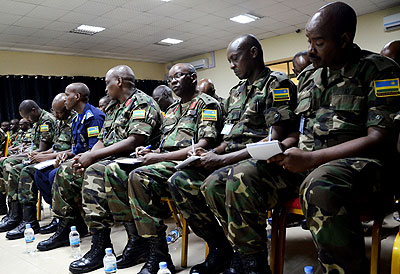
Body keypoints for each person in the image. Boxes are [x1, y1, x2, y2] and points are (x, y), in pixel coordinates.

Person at [205, 2, 400, 273]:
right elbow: (300, 128)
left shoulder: (380, 71)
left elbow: (380, 137)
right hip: (306, 165)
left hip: (360, 168)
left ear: (343, 40)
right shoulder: (309, 75)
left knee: (319, 184)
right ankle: (252, 264)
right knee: (230, 178)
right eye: (308, 41)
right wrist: (280, 147)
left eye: (318, 42)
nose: (310, 50)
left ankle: (342, 268)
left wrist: (311, 158)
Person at [169, 34, 297, 274]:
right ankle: (222, 247)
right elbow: (229, 139)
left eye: (234, 59)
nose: (231, 65)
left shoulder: (277, 83)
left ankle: (253, 263)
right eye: (229, 60)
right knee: (181, 181)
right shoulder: (236, 92)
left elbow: (275, 137)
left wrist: (222, 160)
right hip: (233, 160)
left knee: (222, 182)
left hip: (265, 161)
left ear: (253, 53)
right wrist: (208, 152)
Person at [37, 65, 162, 274]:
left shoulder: (142, 102)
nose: (105, 89)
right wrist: (85, 157)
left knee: (95, 172)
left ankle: (122, 242)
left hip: (138, 160)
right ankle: (69, 227)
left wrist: (93, 157)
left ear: (119, 82)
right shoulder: (113, 106)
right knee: (67, 170)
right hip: (113, 160)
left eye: (107, 83)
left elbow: (134, 141)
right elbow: (102, 140)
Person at [104, 62, 222, 274]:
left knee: (139, 176)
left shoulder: (207, 104)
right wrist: (151, 153)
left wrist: (159, 158)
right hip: (167, 162)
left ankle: (161, 253)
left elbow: (205, 145)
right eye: (170, 79)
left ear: (193, 77)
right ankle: (152, 249)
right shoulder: (172, 109)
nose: (174, 82)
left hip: (192, 164)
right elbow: (165, 144)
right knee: (117, 170)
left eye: (179, 76)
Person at [35, 83, 105, 235]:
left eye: (67, 95)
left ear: (77, 97)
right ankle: (63, 218)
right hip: (78, 159)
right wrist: (66, 154)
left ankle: (69, 223)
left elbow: (94, 150)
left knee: (55, 174)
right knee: (40, 173)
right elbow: (77, 147)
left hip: (92, 162)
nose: (65, 99)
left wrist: (72, 157)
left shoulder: (93, 117)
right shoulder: (77, 118)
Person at [4, 93, 75, 239]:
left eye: (58, 111)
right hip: (53, 157)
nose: (55, 114)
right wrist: (38, 156)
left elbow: (72, 149)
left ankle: (31, 220)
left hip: (64, 159)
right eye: (54, 111)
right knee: (13, 166)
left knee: (24, 171)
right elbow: (55, 147)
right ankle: (17, 215)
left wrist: (41, 156)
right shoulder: (59, 121)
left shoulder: (54, 120)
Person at [0, 100, 56, 233]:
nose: (28, 120)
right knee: (6, 163)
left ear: (33, 110)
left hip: (45, 157)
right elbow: (33, 147)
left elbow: (42, 149)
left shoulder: (46, 120)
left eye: (28, 117)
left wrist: (19, 156)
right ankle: (15, 214)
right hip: (37, 155)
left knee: (14, 167)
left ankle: (28, 219)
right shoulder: (37, 121)